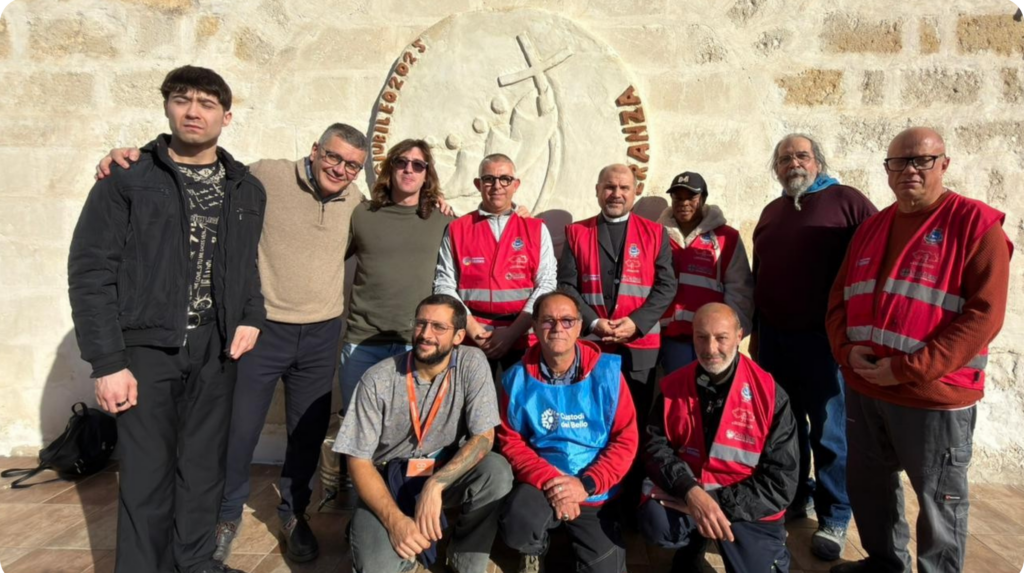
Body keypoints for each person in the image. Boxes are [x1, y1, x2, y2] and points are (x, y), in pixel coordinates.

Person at [95, 124, 372, 563]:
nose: (340, 169)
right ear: (316, 149)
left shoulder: (354, 201)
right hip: (261, 331)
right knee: (238, 432)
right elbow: (198, 169)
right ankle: (224, 516)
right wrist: (132, 157)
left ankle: (294, 513)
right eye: (334, 157)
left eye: (352, 165)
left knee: (306, 434)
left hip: (321, 333)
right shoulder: (264, 174)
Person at [69, 66, 264, 573]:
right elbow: (91, 271)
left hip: (216, 350)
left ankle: (196, 563)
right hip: (147, 349)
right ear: (167, 107)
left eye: (205, 103)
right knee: (146, 477)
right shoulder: (129, 178)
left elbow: (246, 269)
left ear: (227, 114)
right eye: (182, 100)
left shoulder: (245, 187)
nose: (193, 111)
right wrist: (107, 362)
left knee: (203, 472)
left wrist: (251, 315)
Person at [826, 127, 1012, 573]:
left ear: (943, 164)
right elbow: (838, 301)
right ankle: (885, 563)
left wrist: (909, 369)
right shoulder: (872, 228)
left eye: (921, 160)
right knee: (870, 487)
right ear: (887, 171)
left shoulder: (973, 224)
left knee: (939, 500)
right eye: (898, 162)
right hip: (867, 387)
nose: (908, 169)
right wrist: (846, 351)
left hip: (932, 394)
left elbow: (984, 314)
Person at [751, 133, 876, 559]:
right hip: (776, 340)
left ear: (818, 161)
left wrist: (857, 333)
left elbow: (875, 262)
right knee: (786, 430)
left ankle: (836, 514)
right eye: (784, 158)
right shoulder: (772, 213)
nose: (793, 164)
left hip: (826, 343)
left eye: (801, 156)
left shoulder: (848, 202)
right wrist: (757, 335)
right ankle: (793, 497)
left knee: (830, 432)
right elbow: (758, 275)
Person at [333, 294, 514, 573]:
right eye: (421, 324)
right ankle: (388, 535)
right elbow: (357, 460)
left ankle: (464, 559)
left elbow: (483, 437)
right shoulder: (377, 379)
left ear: (458, 336)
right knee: (377, 567)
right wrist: (395, 522)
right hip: (388, 480)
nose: (426, 334)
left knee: (496, 471)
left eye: (439, 327)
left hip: (443, 469)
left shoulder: (471, 363)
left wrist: (435, 485)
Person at [639, 303, 798, 572]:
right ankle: (693, 545)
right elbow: (655, 447)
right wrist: (690, 492)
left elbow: (781, 482)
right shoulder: (674, 386)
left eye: (721, 337)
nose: (710, 348)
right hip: (691, 494)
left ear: (739, 336)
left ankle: (774, 552)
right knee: (656, 522)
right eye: (701, 337)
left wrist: (713, 503)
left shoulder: (770, 395)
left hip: (747, 507)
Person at [498, 291, 638, 573]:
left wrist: (585, 484)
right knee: (517, 524)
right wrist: (554, 481)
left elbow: (625, 439)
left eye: (567, 320)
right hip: (542, 481)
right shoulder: (515, 378)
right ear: (535, 327)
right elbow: (511, 441)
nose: (558, 328)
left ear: (578, 326)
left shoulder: (608, 373)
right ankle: (534, 550)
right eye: (548, 321)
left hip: (594, 486)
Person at [557, 163, 675, 427]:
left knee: (637, 419)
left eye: (624, 187)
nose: (616, 193)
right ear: (598, 190)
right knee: (591, 417)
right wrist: (594, 322)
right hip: (591, 343)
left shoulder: (656, 234)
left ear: (636, 192)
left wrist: (637, 322)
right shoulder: (577, 233)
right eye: (609, 187)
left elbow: (666, 286)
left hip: (640, 345)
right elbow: (566, 286)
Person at [433, 153, 557, 378]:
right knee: (470, 409)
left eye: (505, 179)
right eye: (489, 179)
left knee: (518, 409)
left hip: (523, 337)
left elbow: (546, 283)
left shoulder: (536, 229)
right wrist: (475, 331)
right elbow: (444, 284)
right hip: (471, 338)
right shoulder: (457, 228)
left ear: (515, 185)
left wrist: (512, 333)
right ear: (478, 184)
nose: (497, 186)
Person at [656, 171, 754, 373]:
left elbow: (740, 289)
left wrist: (734, 335)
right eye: (677, 197)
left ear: (704, 198)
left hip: (713, 340)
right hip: (672, 339)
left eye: (691, 197)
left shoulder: (727, 237)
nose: (683, 203)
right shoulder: (656, 236)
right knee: (680, 397)